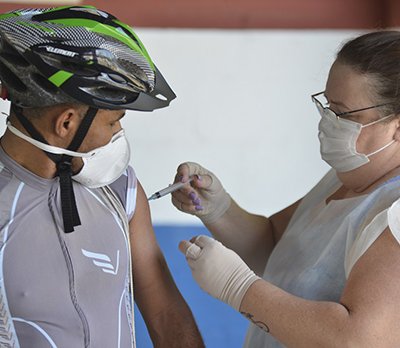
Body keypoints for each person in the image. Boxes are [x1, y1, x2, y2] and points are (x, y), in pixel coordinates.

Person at [171, 30, 400, 347]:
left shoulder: (394, 210)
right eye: (327, 106)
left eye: (344, 114)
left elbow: (357, 339)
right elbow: (277, 248)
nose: (328, 122)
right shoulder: (342, 178)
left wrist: (239, 289)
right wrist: (219, 208)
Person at [0, 5, 204, 348]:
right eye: (113, 121)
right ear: (66, 124)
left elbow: (166, 314)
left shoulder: (123, 191)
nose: (119, 131)